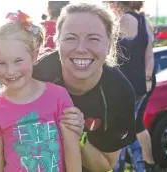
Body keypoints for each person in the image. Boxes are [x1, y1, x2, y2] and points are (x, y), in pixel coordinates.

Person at [33, 2, 137, 172]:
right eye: (70, 38)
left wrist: (77, 136)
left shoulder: (120, 93)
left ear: (109, 45)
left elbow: (105, 165)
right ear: (57, 42)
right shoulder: (38, 74)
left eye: (94, 39)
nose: (81, 49)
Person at [0, 10, 82, 172]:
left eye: (18, 61)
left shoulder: (58, 96)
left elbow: (72, 149)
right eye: (1, 63)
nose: (10, 71)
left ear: (35, 56)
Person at [107, 1, 158, 171]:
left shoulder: (123, 20)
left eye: (109, 2)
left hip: (124, 84)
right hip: (140, 82)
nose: (108, 5)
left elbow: (108, 52)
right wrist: (148, 79)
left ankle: (122, 167)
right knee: (133, 127)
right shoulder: (144, 21)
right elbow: (149, 54)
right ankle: (143, 166)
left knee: (123, 130)